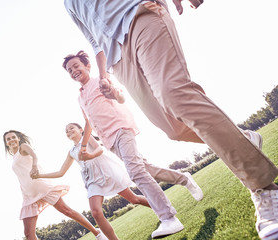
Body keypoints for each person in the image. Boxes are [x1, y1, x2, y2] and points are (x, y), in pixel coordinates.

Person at [63, 1, 278, 239]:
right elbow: (94, 41)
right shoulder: (68, 4)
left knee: (173, 94)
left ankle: (263, 189)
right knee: (174, 129)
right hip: (117, 57)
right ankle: (244, 139)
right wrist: (105, 75)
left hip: (139, 14)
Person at [62, 51, 206, 238]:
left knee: (135, 172)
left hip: (122, 128)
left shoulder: (100, 81)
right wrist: (82, 146)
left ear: (87, 66)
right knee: (145, 168)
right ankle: (183, 178)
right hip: (110, 141)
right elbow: (88, 122)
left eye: (76, 66)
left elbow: (120, 97)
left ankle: (169, 218)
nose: (73, 71)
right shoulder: (80, 98)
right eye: (69, 70)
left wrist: (116, 94)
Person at [36, 122, 152, 240]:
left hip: (107, 173)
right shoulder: (71, 152)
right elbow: (61, 172)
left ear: (81, 129)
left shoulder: (86, 138)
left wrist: (90, 156)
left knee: (134, 199)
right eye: (66, 131)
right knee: (96, 212)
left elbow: (99, 149)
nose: (69, 131)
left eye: (71, 128)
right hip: (92, 181)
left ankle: (163, 210)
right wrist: (39, 175)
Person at [3, 130, 108, 240]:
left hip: (43, 188)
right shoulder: (14, 158)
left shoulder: (22, 147)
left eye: (13, 137)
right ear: (6, 143)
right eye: (8, 139)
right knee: (28, 233)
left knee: (67, 211)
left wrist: (34, 166)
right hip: (28, 195)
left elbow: (34, 156)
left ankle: (97, 233)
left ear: (18, 138)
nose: (11, 140)